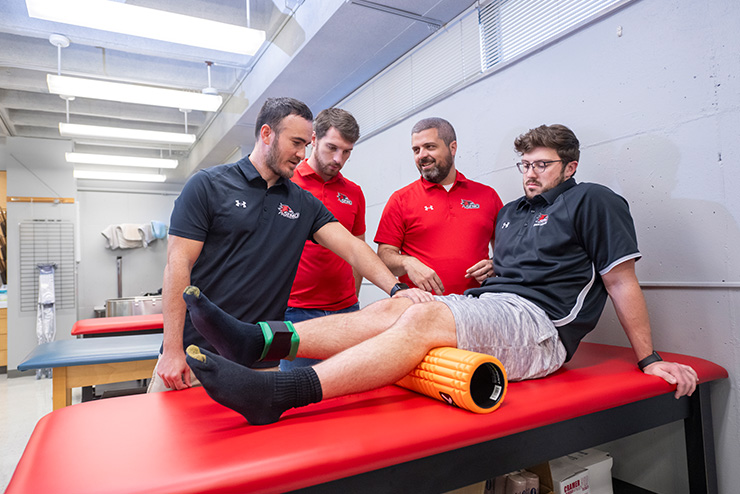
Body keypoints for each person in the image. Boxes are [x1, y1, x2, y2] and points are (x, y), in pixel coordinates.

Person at [181, 123, 699, 425]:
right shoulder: (514, 211)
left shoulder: (596, 200)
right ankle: (261, 341)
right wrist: (497, 265)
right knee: (403, 304)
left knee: (420, 323)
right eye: (523, 164)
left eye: (542, 164)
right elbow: (531, 260)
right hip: (493, 307)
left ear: (570, 165)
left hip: (542, 330)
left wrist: (649, 359)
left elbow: (619, 279)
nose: (530, 172)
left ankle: (278, 396)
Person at [151, 97, 432, 392]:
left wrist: (396, 290)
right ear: (267, 134)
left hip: (260, 360)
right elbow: (178, 264)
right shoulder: (208, 185)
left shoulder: (302, 203)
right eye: (296, 143)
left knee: (260, 439)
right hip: (194, 355)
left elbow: (351, 247)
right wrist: (171, 350)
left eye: (305, 146)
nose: (301, 154)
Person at [375, 117, 503, 295]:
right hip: (421, 309)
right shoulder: (400, 200)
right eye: (416, 150)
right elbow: (383, 257)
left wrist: (495, 264)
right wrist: (407, 262)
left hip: (478, 307)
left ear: (452, 148)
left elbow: (506, 251)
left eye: (430, 147)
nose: (421, 155)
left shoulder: (488, 195)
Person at [282, 108, 365, 371]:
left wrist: (352, 300)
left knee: (350, 390)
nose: (339, 158)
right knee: (297, 396)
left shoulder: (354, 193)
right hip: (296, 312)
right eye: (332, 147)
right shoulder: (286, 183)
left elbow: (357, 251)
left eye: (347, 151)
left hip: (347, 311)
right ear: (314, 139)